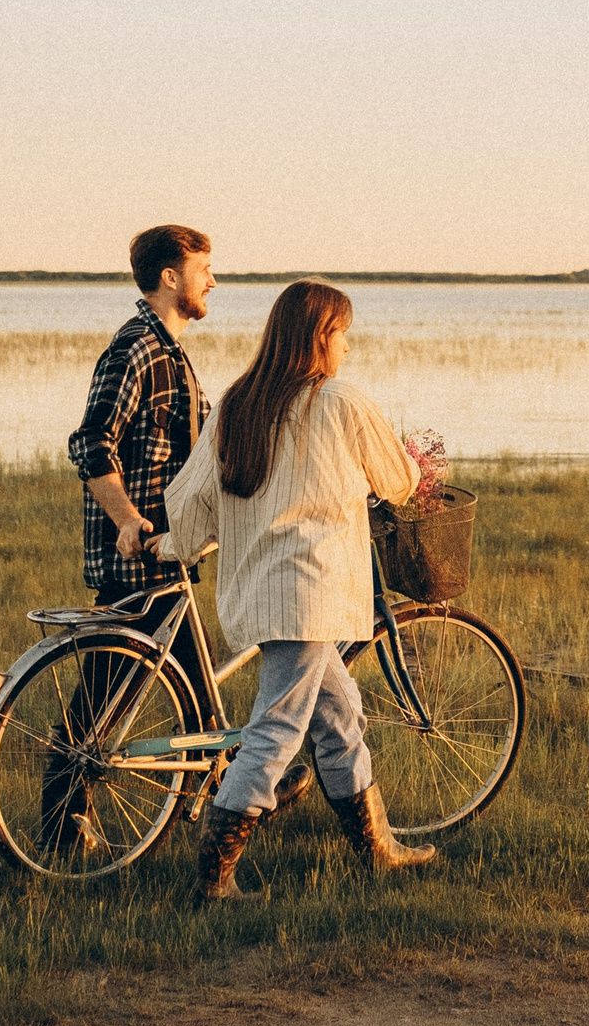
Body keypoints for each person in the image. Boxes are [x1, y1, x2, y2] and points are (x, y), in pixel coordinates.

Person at [157, 278, 437, 901]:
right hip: (312, 595)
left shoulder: (238, 403)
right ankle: (212, 880)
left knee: (340, 716)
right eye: (341, 335)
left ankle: (380, 849)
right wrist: (414, 469)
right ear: (319, 338)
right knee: (277, 731)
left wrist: (169, 545)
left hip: (262, 592)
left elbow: (194, 496)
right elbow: (396, 481)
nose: (345, 348)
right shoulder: (340, 401)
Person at [52, 225, 309, 855]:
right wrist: (126, 521)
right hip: (138, 554)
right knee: (106, 699)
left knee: (188, 698)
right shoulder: (137, 349)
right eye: (204, 269)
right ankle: (62, 830)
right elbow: (90, 444)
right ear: (171, 277)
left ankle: (236, 789)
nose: (213, 281)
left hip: (167, 549)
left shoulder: (171, 352)